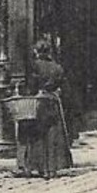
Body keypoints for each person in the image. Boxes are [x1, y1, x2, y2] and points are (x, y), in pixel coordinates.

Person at [15, 39, 74, 179]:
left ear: (36, 51)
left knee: (33, 134)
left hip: (37, 102)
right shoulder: (57, 68)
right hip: (52, 102)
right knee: (51, 135)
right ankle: (51, 169)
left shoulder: (34, 66)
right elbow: (65, 88)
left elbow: (30, 85)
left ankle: (32, 167)